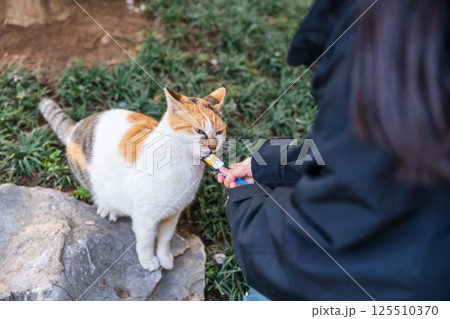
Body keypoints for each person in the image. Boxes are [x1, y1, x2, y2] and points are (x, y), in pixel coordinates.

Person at [218, 0, 450, 300]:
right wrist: (271, 165)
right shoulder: (415, 71)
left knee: (264, 297)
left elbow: (308, 255)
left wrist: (247, 204)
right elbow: (365, 157)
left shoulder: (383, 56)